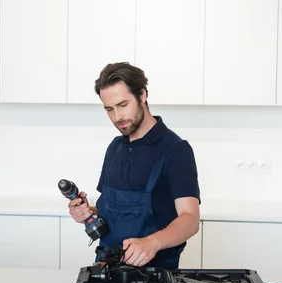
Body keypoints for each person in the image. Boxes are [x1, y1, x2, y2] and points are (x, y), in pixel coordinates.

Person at [68, 62, 201, 269]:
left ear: (142, 95)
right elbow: (115, 214)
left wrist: (152, 243)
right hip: (106, 268)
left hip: (155, 277)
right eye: (109, 109)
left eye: (123, 105)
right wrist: (88, 213)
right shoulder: (114, 148)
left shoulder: (176, 150)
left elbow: (190, 218)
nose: (117, 117)